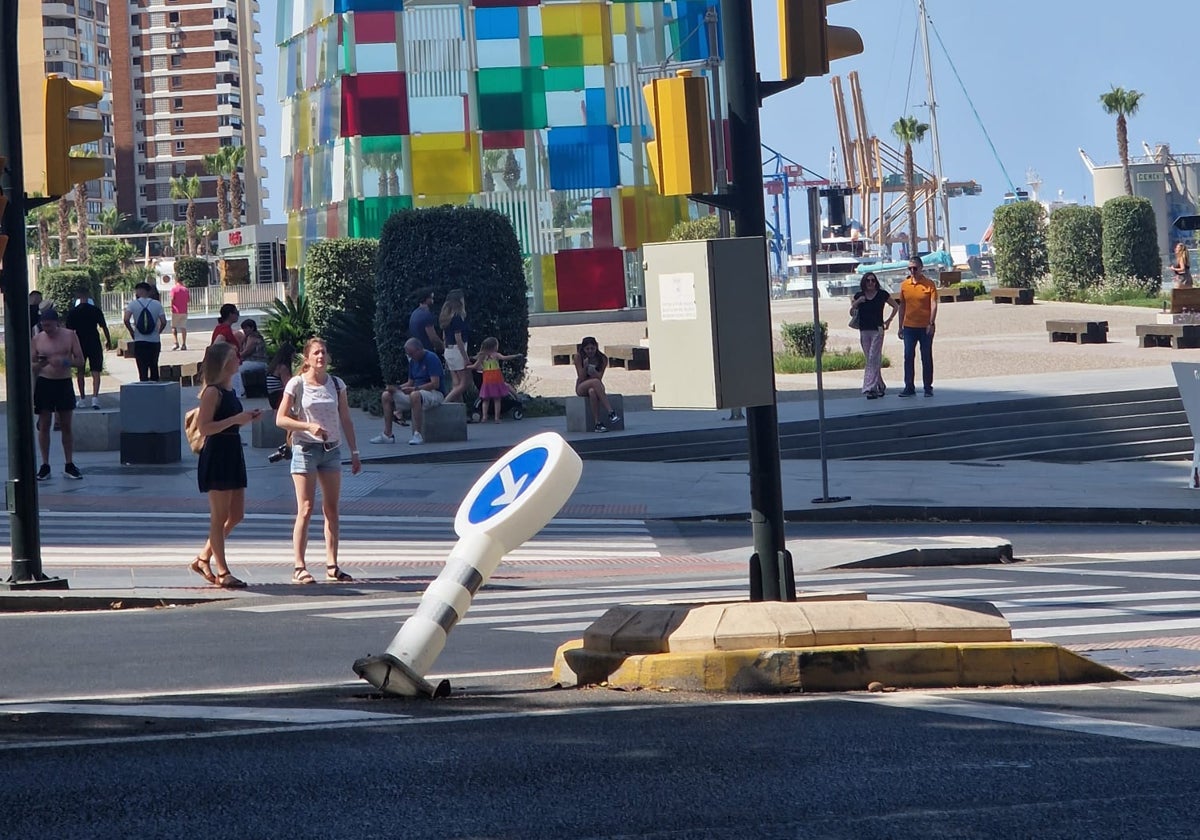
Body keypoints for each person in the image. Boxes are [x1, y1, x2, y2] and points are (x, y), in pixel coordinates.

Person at [275, 338, 362, 584]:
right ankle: (299, 566)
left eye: (323, 352)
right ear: (307, 358)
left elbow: (345, 418)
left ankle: (332, 564)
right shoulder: (296, 384)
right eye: (315, 353)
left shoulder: (336, 384)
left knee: (332, 510)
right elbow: (280, 419)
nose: (320, 356)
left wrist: (355, 452)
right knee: (305, 508)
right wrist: (307, 426)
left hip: (332, 450)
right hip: (305, 449)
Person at [189, 342, 261, 589]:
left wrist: (244, 418)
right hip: (218, 453)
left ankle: (203, 558)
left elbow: (228, 421)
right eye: (233, 357)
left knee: (237, 514)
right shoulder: (213, 392)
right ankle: (222, 571)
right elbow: (205, 427)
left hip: (232, 451)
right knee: (219, 516)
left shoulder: (228, 389)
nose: (238, 359)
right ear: (222, 363)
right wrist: (235, 419)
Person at [31, 307, 84, 480]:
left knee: (66, 425)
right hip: (45, 383)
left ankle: (69, 463)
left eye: (50, 326)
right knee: (44, 424)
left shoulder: (70, 335)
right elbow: (31, 365)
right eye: (44, 326)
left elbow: (80, 360)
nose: (48, 330)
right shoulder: (38, 339)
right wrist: (41, 364)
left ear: (57, 323)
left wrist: (64, 361)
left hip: (63, 382)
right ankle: (45, 464)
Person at [371, 337, 445, 446]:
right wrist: (397, 388)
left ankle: (417, 434)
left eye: (411, 353)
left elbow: (435, 384)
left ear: (419, 350)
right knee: (386, 395)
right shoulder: (412, 361)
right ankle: (388, 434)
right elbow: (410, 382)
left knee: (415, 395)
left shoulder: (431, 358)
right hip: (415, 392)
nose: (410, 356)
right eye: (408, 354)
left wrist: (415, 389)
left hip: (434, 393)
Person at [850, 272, 898, 400]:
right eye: (868, 281)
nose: (870, 283)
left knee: (873, 358)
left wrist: (888, 320)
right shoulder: (859, 296)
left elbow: (895, 306)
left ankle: (869, 388)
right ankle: (880, 385)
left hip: (877, 330)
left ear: (876, 282)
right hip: (864, 330)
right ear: (864, 282)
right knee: (871, 360)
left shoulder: (882, 295)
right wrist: (857, 302)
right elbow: (851, 312)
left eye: (873, 281)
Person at [894, 258, 938, 398]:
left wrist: (931, 323)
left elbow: (934, 304)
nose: (912, 271)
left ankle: (927, 387)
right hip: (909, 327)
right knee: (908, 357)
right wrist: (900, 326)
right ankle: (909, 386)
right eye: (910, 268)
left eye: (915, 268)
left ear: (921, 268)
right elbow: (902, 306)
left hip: (925, 327)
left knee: (926, 357)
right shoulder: (904, 285)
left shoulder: (929, 284)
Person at [66, 286, 111, 409]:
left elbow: (69, 332)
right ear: (89, 295)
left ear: (77, 297)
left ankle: (82, 398)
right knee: (96, 371)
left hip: (78, 343)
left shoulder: (72, 313)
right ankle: (95, 398)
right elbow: (104, 327)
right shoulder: (95, 310)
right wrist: (108, 340)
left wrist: (69, 348)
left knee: (80, 371)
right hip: (94, 342)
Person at [469, 337, 522, 423]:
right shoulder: (496, 355)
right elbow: (505, 358)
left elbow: (475, 366)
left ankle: (484, 417)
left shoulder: (482, 356)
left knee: (486, 399)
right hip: (496, 379)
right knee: (497, 399)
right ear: (494, 347)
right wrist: (515, 356)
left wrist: (467, 367)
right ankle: (497, 418)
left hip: (487, 380)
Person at [573, 336, 621, 432]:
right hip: (582, 386)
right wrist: (585, 367)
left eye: (592, 348)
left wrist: (594, 371)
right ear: (583, 349)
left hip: (596, 385)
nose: (590, 351)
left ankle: (597, 423)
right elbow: (581, 377)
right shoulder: (578, 357)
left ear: (596, 347)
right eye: (587, 349)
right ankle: (611, 412)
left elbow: (600, 377)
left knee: (592, 391)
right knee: (594, 382)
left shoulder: (602, 358)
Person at [122, 282, 166, 382]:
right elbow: (163, 321)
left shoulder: (133, 304)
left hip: (140, 340)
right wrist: (159, 332)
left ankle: (144, 388)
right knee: (154, 365)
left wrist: (132, 332)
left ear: (138, 291)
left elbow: (126, 320)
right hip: (154, 341)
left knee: (142, 368)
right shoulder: (157, 304)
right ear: (149, 291)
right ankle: (155, 389)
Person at [439, 289, 470, 403]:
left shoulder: (446, 318)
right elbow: (458, 338)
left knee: (455, 382)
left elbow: (444, 337)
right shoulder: (458, 317)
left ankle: (459, 409)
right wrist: (465, 358)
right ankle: (445, 403)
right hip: (458, 351)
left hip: (448, 350)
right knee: (463, 383)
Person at [210, 303, 243, 395]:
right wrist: (231, 349)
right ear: (230, 314)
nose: (238, 315)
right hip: (229, 368)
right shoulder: (225, 330)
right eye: (236, 313)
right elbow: (217, 344)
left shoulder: (221, 328)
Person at [409, 287, 443, 353]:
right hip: (426, 352)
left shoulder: (414, 313)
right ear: (426, 299)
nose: (433, 300)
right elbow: (433, 339)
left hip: (417, 351)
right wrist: (444, 348)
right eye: (431, 298)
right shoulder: (427, 315)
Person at [238, 319, 268, 394]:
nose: (244, 330)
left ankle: (241, 391)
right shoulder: (247, 337)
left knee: (237, 370)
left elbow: (247, 352)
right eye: (243, 328)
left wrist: (235, 356)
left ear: (252, 328)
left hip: (258, 361)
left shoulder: (253, 337)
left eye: (246, 328)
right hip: (252, 361)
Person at [266, 342, 296, 411]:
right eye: (293, 356)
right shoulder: (283, 368)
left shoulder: (274, 366)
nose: (293, 359)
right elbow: (288, 385)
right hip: (279, 397)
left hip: (272, 398)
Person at [169, 275, 190, 350]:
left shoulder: (174, 289)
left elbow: (172, 299)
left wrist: (171, 307)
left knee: (174, 327)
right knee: (183, 327)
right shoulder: (186, 290)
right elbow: (188, 300)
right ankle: (184, 344)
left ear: (176, 280)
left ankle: (176, 343)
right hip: (184, 311)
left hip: (176, 310)